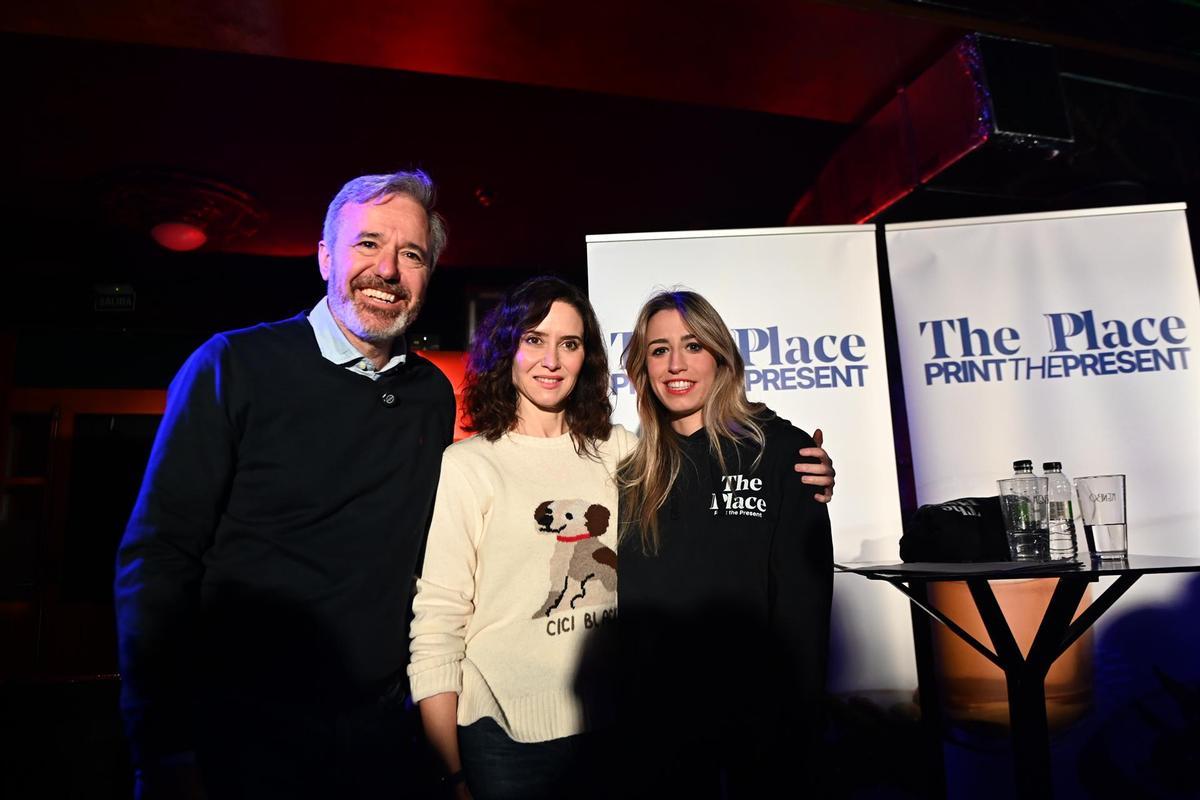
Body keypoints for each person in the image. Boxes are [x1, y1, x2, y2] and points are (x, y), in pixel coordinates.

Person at [408, 278, 836, 800]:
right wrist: (447, 771)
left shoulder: (620, 451)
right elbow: (437, 619)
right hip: (504, 738)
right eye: (535, 339)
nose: (552, 359)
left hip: (615, 725)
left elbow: (715, 468)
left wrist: (800, 462)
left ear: (587, 357)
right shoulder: (471, 465)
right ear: (507, 349)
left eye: (569, 343)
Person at [114, 170, 455, 799]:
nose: (387, 269)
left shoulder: (431, 395)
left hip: (382, 736)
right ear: (324, 255)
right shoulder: (234, 366)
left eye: (411, 254)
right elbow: (158, 557)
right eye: (367, 244)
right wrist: (160, 744)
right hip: (244, 736)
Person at [617, 290, 834, 799]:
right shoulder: (630, 468)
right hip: (658, 724)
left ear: (720, 357)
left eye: (692, 346)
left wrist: (798, 719)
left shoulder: (783, 451)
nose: (676, 364)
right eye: (659, 349)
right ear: (642, 366)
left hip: (760, 722)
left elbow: (804, 605)